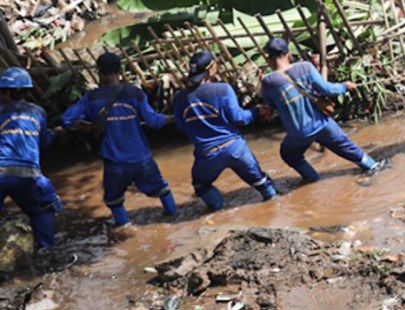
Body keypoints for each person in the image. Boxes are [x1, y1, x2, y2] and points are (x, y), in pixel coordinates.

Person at [62, 52, 175, 226]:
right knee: (162, 189)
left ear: (99, 72)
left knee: (114, 200)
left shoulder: (92, 98)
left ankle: (126, 228)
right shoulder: (135, 94)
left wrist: (88, 126)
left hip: (114, 162)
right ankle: (174, 217)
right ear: (120, 71)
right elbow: (154, 121)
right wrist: (174, 117)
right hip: (141, 158)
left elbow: (67, 120)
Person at [259, 38, 380, 179]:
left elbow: (270, 105)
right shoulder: (305, 67)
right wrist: (344, 86)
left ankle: (312, 179)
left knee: (289, 154)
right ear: (288, 55)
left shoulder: (268, 82)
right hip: (322, 124)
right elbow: (327, 89)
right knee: (348, 147)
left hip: (298, 133)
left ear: (269, 59)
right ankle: (373, 166)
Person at [174, 50, 276, 210]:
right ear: (211, 69)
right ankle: (275, 206)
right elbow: (239, 118)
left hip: (208, 154)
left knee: (201, 185)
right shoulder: (223, 90)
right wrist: (256, 111)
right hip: (235, 148)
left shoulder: (179, 98)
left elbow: (181, 127)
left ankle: (218, 211)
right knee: (262, 183)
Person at [0, 68, 62, 249]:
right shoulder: (39, 113)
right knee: (41, 211)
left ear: (6, 92)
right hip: (29, 174)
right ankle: (46, 252)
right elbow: (43, 144)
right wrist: (57, 134)